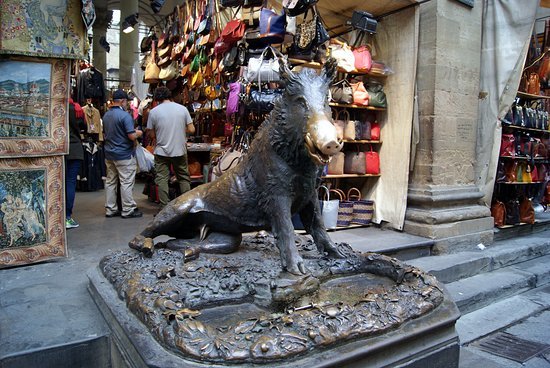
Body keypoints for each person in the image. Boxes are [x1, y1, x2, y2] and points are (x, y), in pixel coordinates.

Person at [146, 86, 195, 206]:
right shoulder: (182, 109)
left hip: (161, 151)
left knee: (162, 179)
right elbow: (192, 129)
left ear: (157, 99)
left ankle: (164, 207)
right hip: (179, 150)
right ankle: (186, 206)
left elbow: (151, 134)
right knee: (183, 177)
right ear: (169, 95)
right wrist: (181, 131)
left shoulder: (154, 112)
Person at [102, 89, 143, 218]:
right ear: (123, 101)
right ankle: (128, 209)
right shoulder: (125, 116)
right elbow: (131, 136)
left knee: (110, 182)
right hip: (124, 154)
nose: (127, 104)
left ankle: (111, 209)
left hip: (109, 154)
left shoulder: (106, 115)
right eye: (126, 101)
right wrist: (139, 133)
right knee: (126, 182)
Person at [65, 98, 85, 229]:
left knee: (57, 182)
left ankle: (57, 216)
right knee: (70, 182)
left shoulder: (54, 106)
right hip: (75, 148)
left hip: (59, 148)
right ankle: (67, 216)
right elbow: (84, 128)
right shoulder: (76, 109)